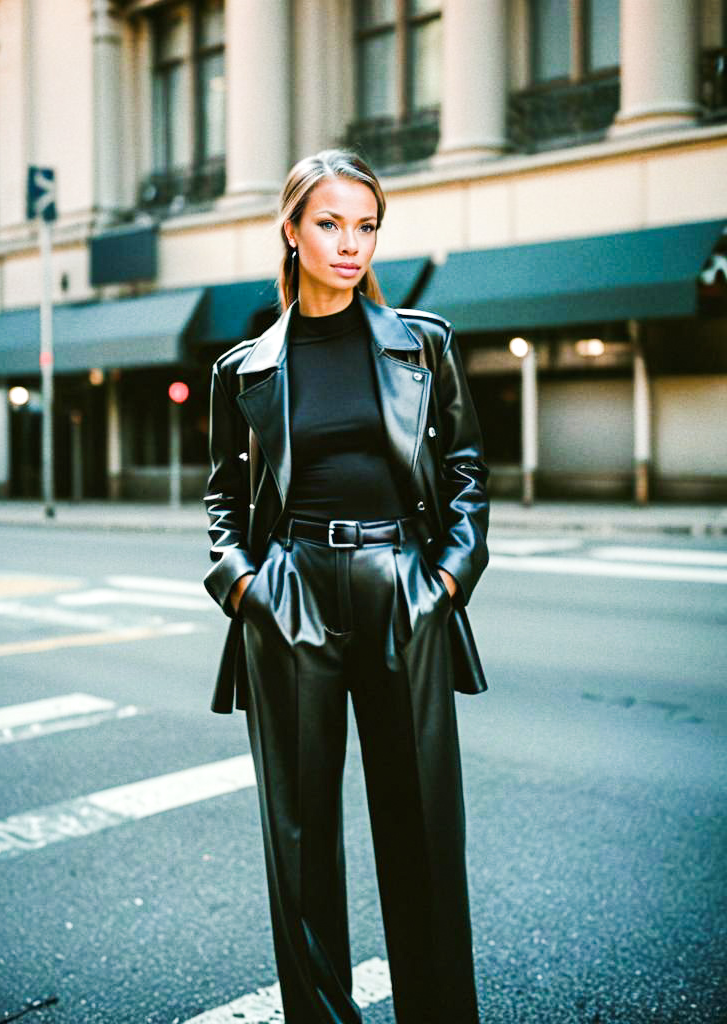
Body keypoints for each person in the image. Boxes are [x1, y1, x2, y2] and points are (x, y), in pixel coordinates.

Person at [203, 149, 489, 1024]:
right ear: (291, 231)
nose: (350, 243)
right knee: (300, 849)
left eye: (366, 225)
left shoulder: (422, 344)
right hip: (291, 595)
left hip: (406, 586)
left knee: (425, 839)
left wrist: (446, 579)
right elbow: (222, 500)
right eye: (330, 223)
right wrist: (245, 588)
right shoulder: (244, 367)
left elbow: (467, 471)